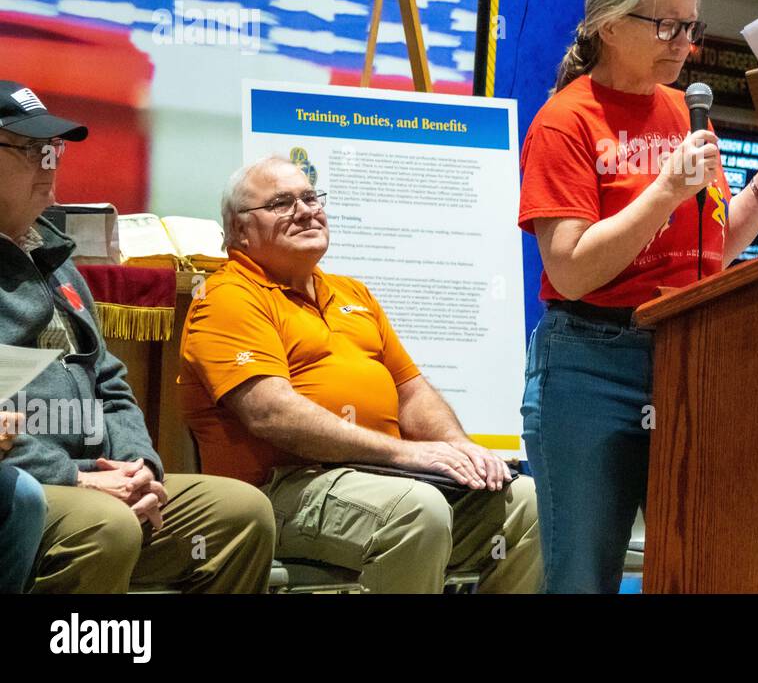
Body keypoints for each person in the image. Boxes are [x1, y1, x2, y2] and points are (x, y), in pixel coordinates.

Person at [518, 0, 758, 592]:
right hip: (591, 364)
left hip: (687, 352)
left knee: (702, 564)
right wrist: (663, 193)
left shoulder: (683, 112)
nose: (685, 46)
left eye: (692, 28)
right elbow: (568, 272)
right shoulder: (564, 123)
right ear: (608, 26)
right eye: (667, 26)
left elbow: (710, 252)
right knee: (584, 578)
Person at [179, 155, 541, 593]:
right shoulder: (227, 297)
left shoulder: (352, 292)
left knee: (528, 504)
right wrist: (405, 454)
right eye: (281, 203)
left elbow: (411, 391)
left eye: (311, 197)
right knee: (415, 511)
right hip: (280, 492)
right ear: (239, 230)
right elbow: (271, 413)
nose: (306, 210)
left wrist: (458, 448)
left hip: (383, 480)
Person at [0, 81, 276, 593]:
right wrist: (75, 478)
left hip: (103, 479)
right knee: (104, 527)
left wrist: (138, 466)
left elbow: (111, 383)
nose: (50, 165)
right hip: (27, 486)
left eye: (53, 150)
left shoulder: (57, 263)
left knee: (240, 513)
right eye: (31, 150)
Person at [0, 413, 44, 593]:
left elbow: (116, 400)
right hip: (39, 465)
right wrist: (78, 474)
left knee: (25, 493)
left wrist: (136, 459)